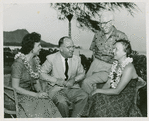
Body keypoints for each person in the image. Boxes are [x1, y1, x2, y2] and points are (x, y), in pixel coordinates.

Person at [5, 32, 62, 118]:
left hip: (28, 94)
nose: (41, 48)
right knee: (39, 105)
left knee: (47, 101)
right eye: (39, 45)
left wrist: (40, 92)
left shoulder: (35, 60)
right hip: (14, 97)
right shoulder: (18, 63)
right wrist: (36, 95)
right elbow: (15, 87)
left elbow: (35, 81)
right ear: (31, 48)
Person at [81, 39, 142, 117]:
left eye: (116, 49)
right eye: (113, 48)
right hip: (115, 93)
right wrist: (98, 93)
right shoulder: (115, 65)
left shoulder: (129, 67)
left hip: (124, 98)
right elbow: (108, 83)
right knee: (96, 98)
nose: (113, 51)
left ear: (124, 52)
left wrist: (97, 90)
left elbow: (117, 91)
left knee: (101, 105)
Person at [82, 10, 129, 94]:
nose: (103, 26)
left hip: (111, 66)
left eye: (105, 23)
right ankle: (90, 103)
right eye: (101, 23)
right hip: (96, 63)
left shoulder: (121, 36)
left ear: (111, 22)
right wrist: (93, 66)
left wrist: (117, 72)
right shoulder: (97, 34)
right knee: (84, 84)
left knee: (89, 83)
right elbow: (94, 52)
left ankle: (94, 102)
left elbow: (126, 57)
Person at [40, 36, 88, 117]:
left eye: (73, 46)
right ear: (61, 49)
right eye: (69, 47)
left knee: (84, 96)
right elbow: (41, 73)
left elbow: (82, 73)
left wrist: (74, 79)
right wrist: (57, 81)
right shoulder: (51, 58)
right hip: (56, 89)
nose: (72, 49)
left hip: (71, 88)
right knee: (62, 102)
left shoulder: (77, 59)